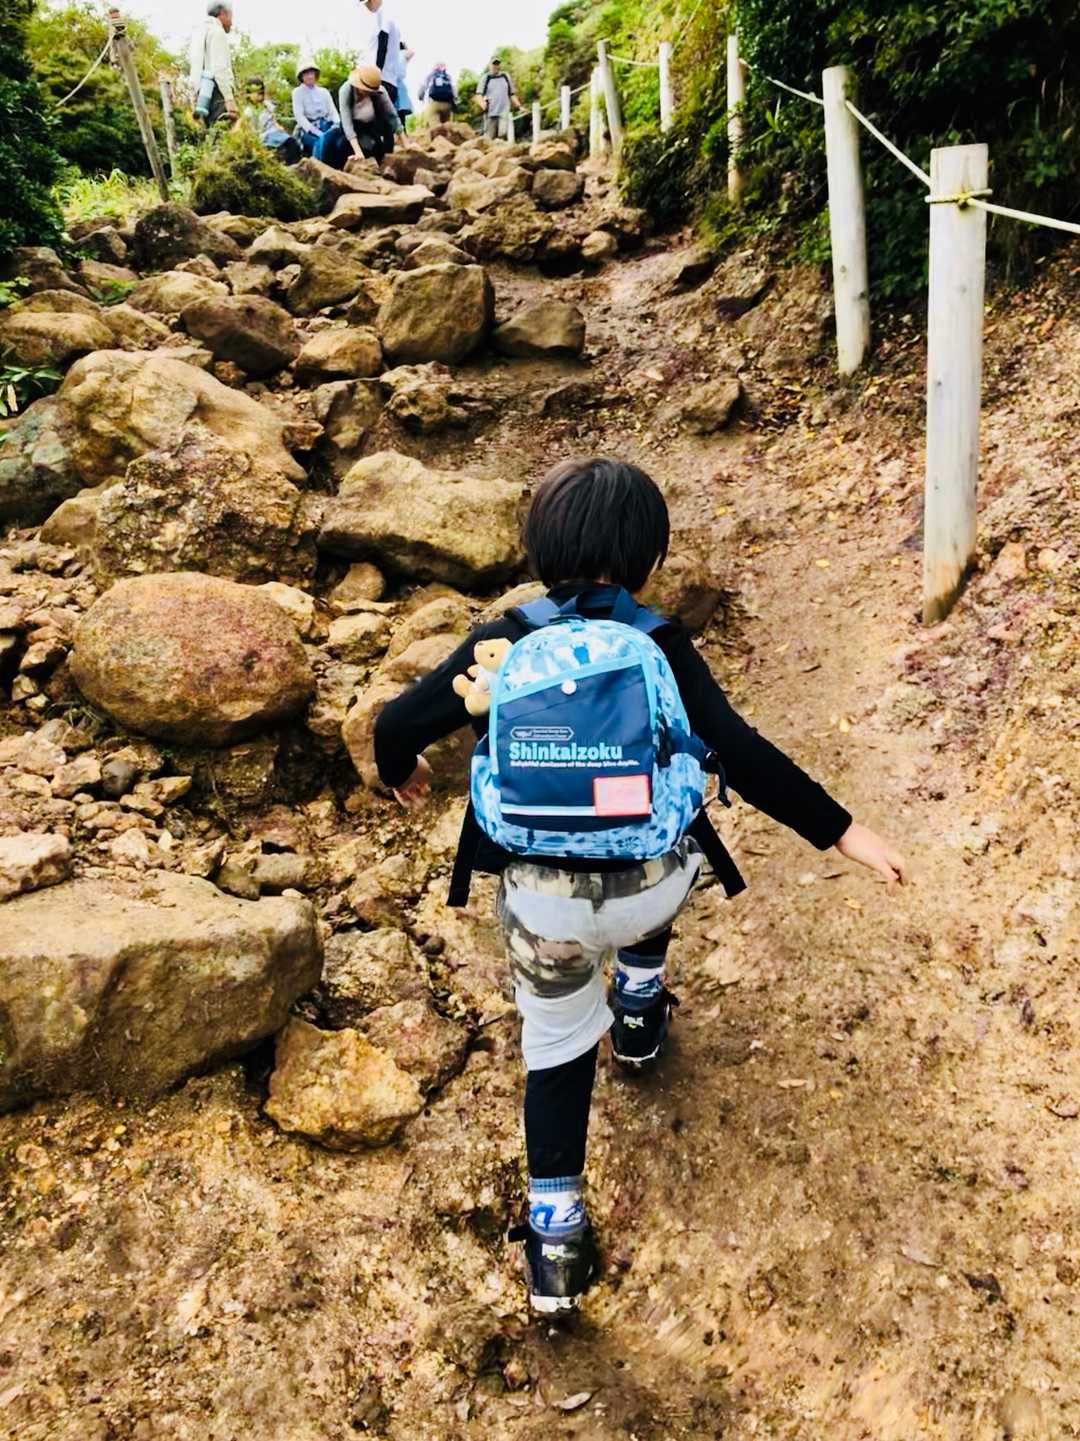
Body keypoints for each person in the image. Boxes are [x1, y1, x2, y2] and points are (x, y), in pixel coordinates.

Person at [374, 456, 908, 1314]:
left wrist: (399, 768)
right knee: (664, 822)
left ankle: (555, 1241)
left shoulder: (506, 637)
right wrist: (842, 830)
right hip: (650, 889)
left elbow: (397, 722)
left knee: (555, 1047)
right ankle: (638, 1007)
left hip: (543, 907)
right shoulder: (658, 640)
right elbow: (743, 753)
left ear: (539, 547)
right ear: (648, 558)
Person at [322, 63, 401, 169]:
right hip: (353, 128)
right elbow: (347, 123)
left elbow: (392, 116)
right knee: (335, 142)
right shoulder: (346, 90)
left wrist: (406, 143)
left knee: (378, 144)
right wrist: (358, 152)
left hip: (372, 128)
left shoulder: (380, 92)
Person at [189, 1, 236, 128]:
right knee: (222, 132)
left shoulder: (198, 33)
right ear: (223, 14)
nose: (232, 23)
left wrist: (193, 99)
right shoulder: (217, 32)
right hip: (217, 92)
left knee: (210, 132)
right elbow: (220, 69)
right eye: (231, 17)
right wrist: (229, 99)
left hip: (202, 96)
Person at [243, 77, 302, 163]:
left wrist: (279, 127)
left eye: (259, 92)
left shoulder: (267, 106)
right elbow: (249, 129)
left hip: (273, 132)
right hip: (262, 137)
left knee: (292, 143)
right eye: (254, 92)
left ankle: (295, 164)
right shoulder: (248, 111)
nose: (257, 95)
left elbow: (273, 119)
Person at [291, 61, 340, 158]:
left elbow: (333, 111)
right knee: (320, 143)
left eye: (311, 73)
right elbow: (299, 116)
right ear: (301, 76)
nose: (309, 76)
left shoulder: (324, 92)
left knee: (337, 140)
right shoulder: (297, 92)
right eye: (306, 74)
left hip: (326, 124)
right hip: (309, 128)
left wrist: (337, 124)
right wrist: (315, 132)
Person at [362, 0, 403, 110]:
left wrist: (375, 74)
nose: (366, 6)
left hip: (381, 81)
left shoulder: (382, 14)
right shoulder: (392, 19)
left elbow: (382, 42)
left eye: (367, 3)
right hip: (390, 81)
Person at [477, 56, 518, 141]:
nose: (496, 66)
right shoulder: (486, 78)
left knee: (502, 135)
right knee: (489, 138)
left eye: (497, 64)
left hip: (504, 111)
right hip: (490, 112)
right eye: (494, 64)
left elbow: (511, 94)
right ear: (490, 65)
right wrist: (483, 104)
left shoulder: (505, 76)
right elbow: (479, 95)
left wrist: (519, 106)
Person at [419, 60, 456, 125]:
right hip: (447, 105)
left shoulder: (430, 75)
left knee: (435, 126)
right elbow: (454, 90)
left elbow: (423, 87)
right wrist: (455, 101)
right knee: (447, 126)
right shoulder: (448, 77)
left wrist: (420, 97)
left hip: (434, 103)